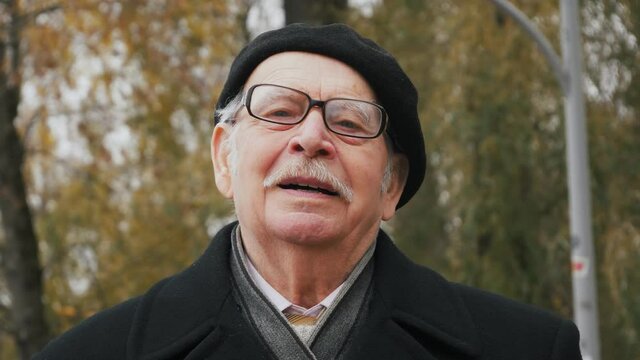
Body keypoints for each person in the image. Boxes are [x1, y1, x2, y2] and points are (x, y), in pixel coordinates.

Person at [36, 23, 582, 360]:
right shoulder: (88, 353)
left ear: (391, 185)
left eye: (349, 122)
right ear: (224, 158)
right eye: (278, 112)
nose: (312, 138)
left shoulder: (530, 347)